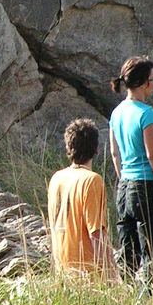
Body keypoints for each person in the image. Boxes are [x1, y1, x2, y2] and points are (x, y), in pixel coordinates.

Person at [108, 56, 153, 295]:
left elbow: (114, 153)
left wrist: (124, 181)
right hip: (148, 189)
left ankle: (125, 302)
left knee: (128, 255)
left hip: (125, 188)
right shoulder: (146, 114)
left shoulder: (117, 113)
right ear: (142, 84)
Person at [47, 118, 116, 278]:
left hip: (63, 272)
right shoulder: (92, 180)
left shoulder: (56, 178)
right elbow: (96, 234)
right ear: (96, 147)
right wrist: (112, 277)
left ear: (68, 146)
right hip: (88, 274)